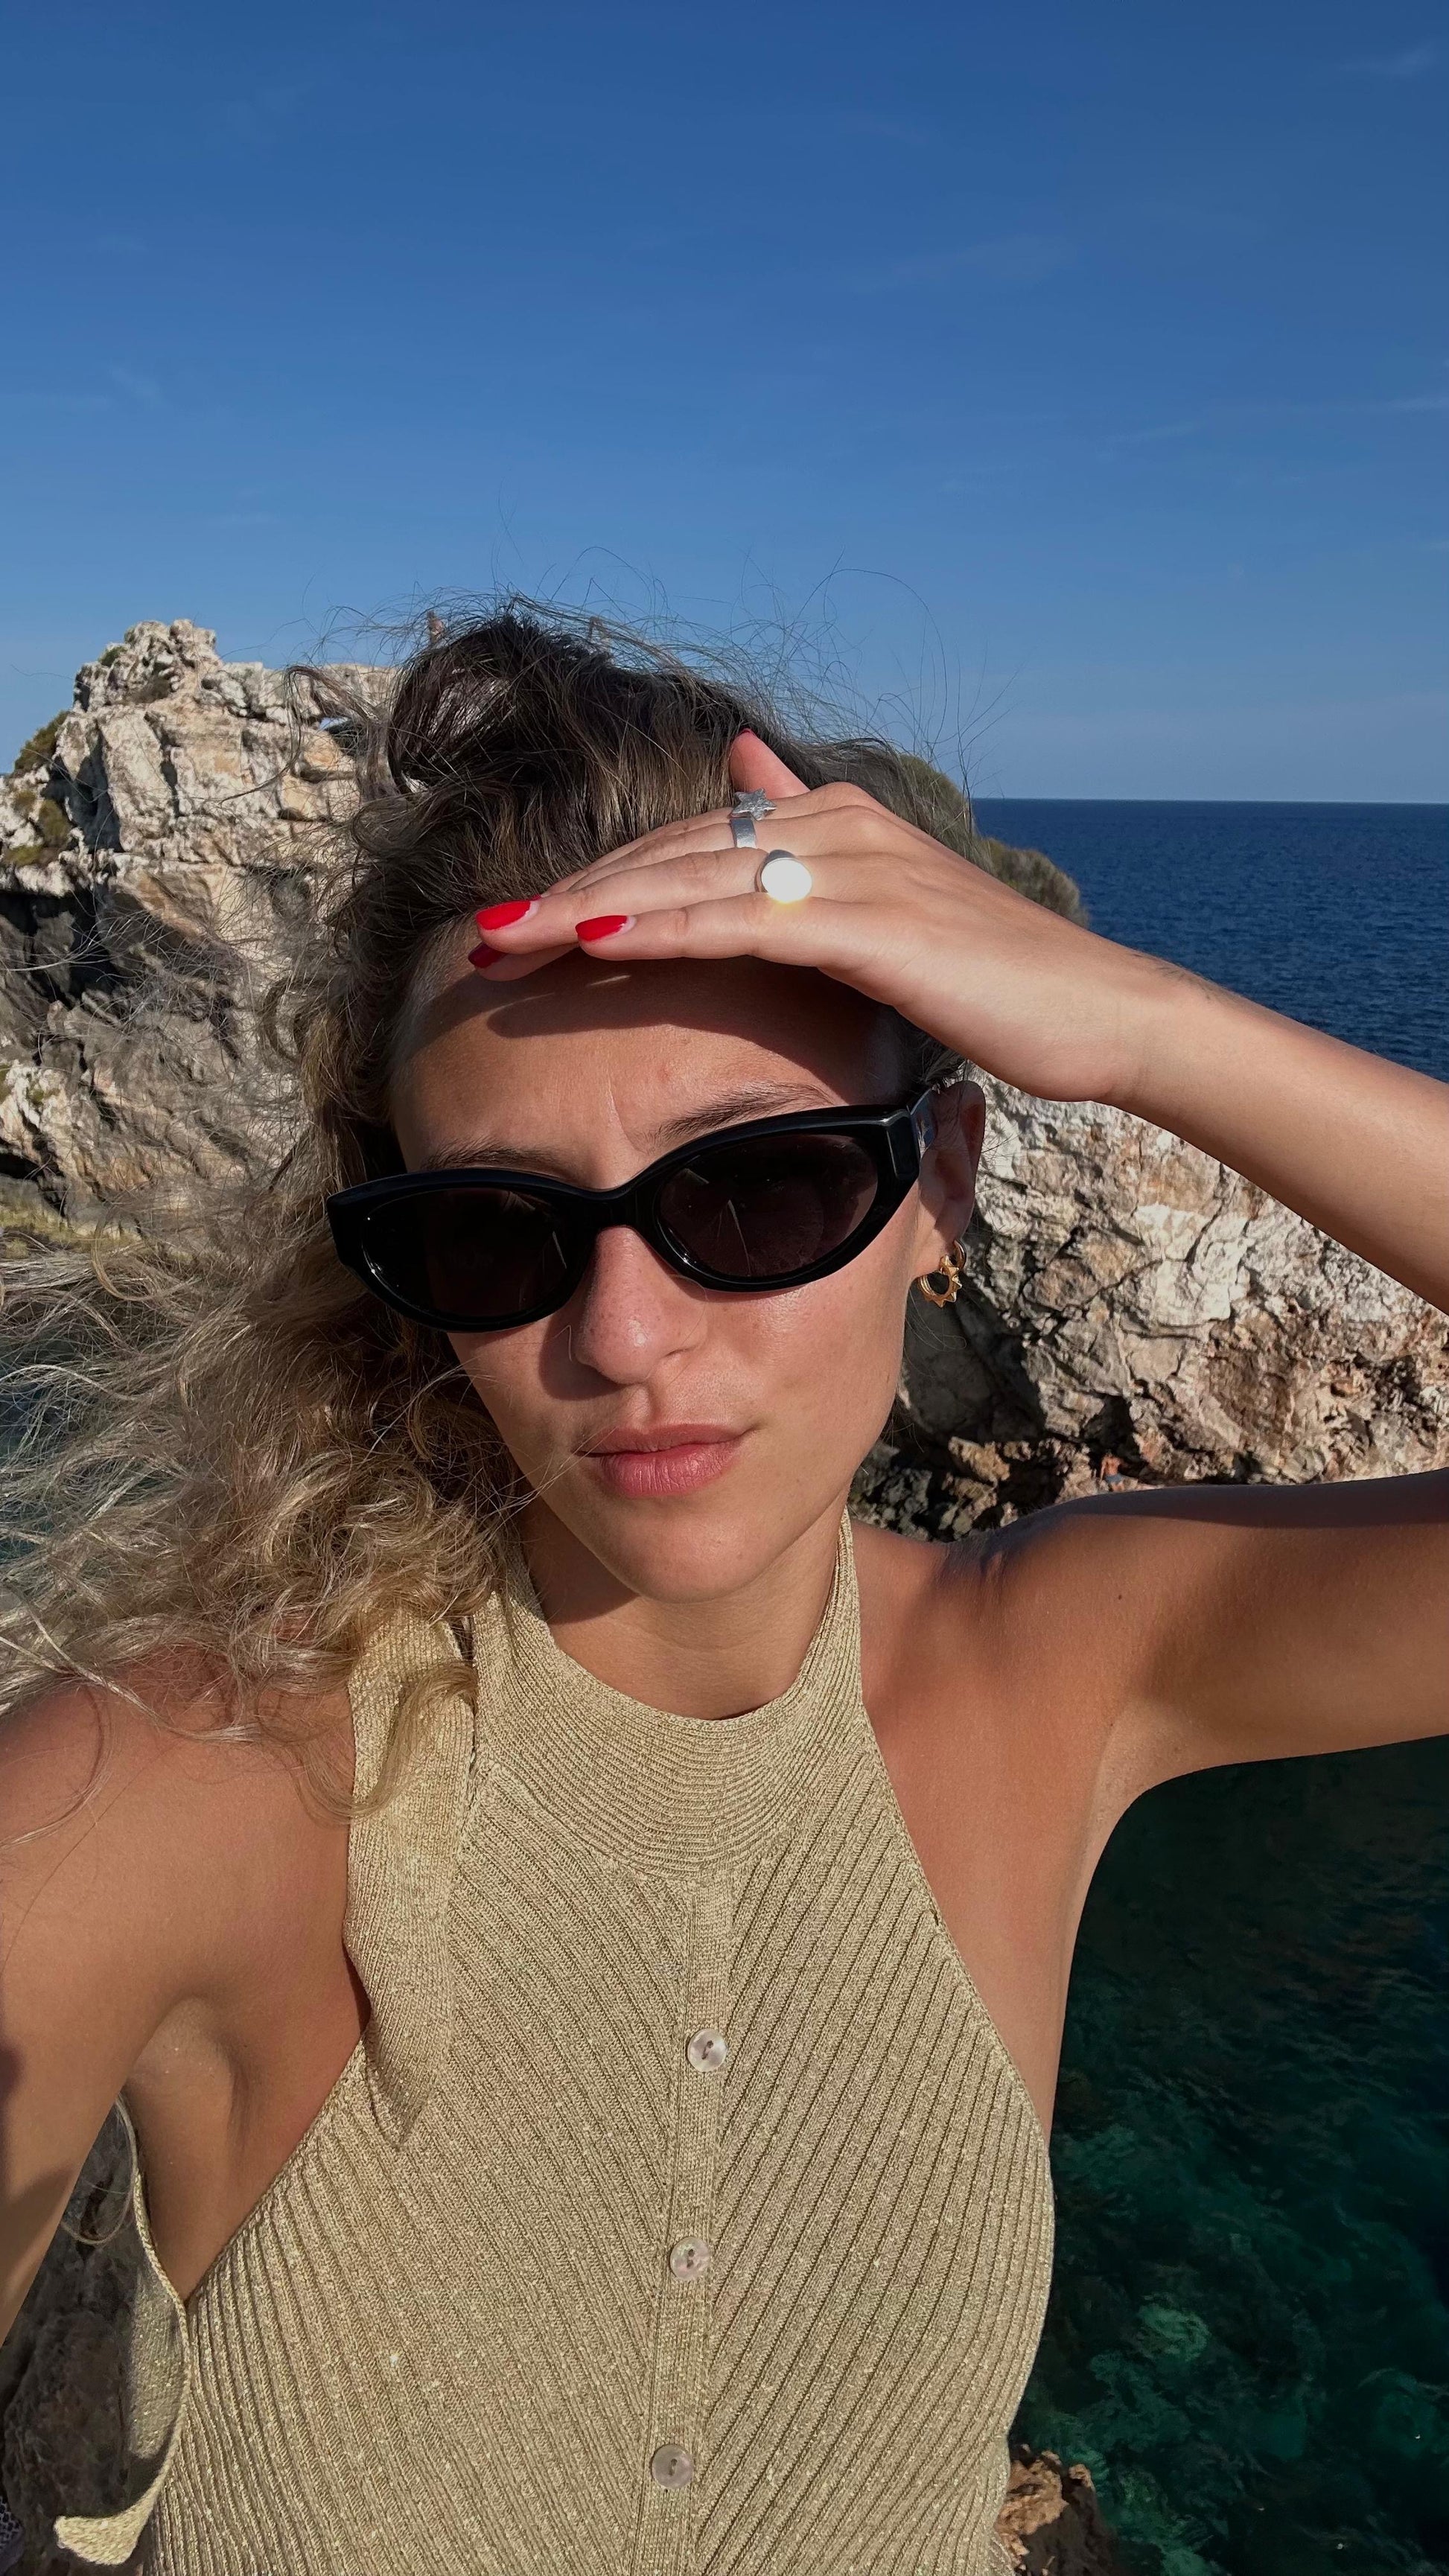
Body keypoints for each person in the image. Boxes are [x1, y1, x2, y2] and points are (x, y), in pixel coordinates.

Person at [1, 606, 1445, 2576]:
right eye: (497, 1230)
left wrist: (1135, 1026)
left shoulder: (1051, 1671)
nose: (620, 1333)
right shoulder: (200, 1777)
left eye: (751, 1190)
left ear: (937, 1184)